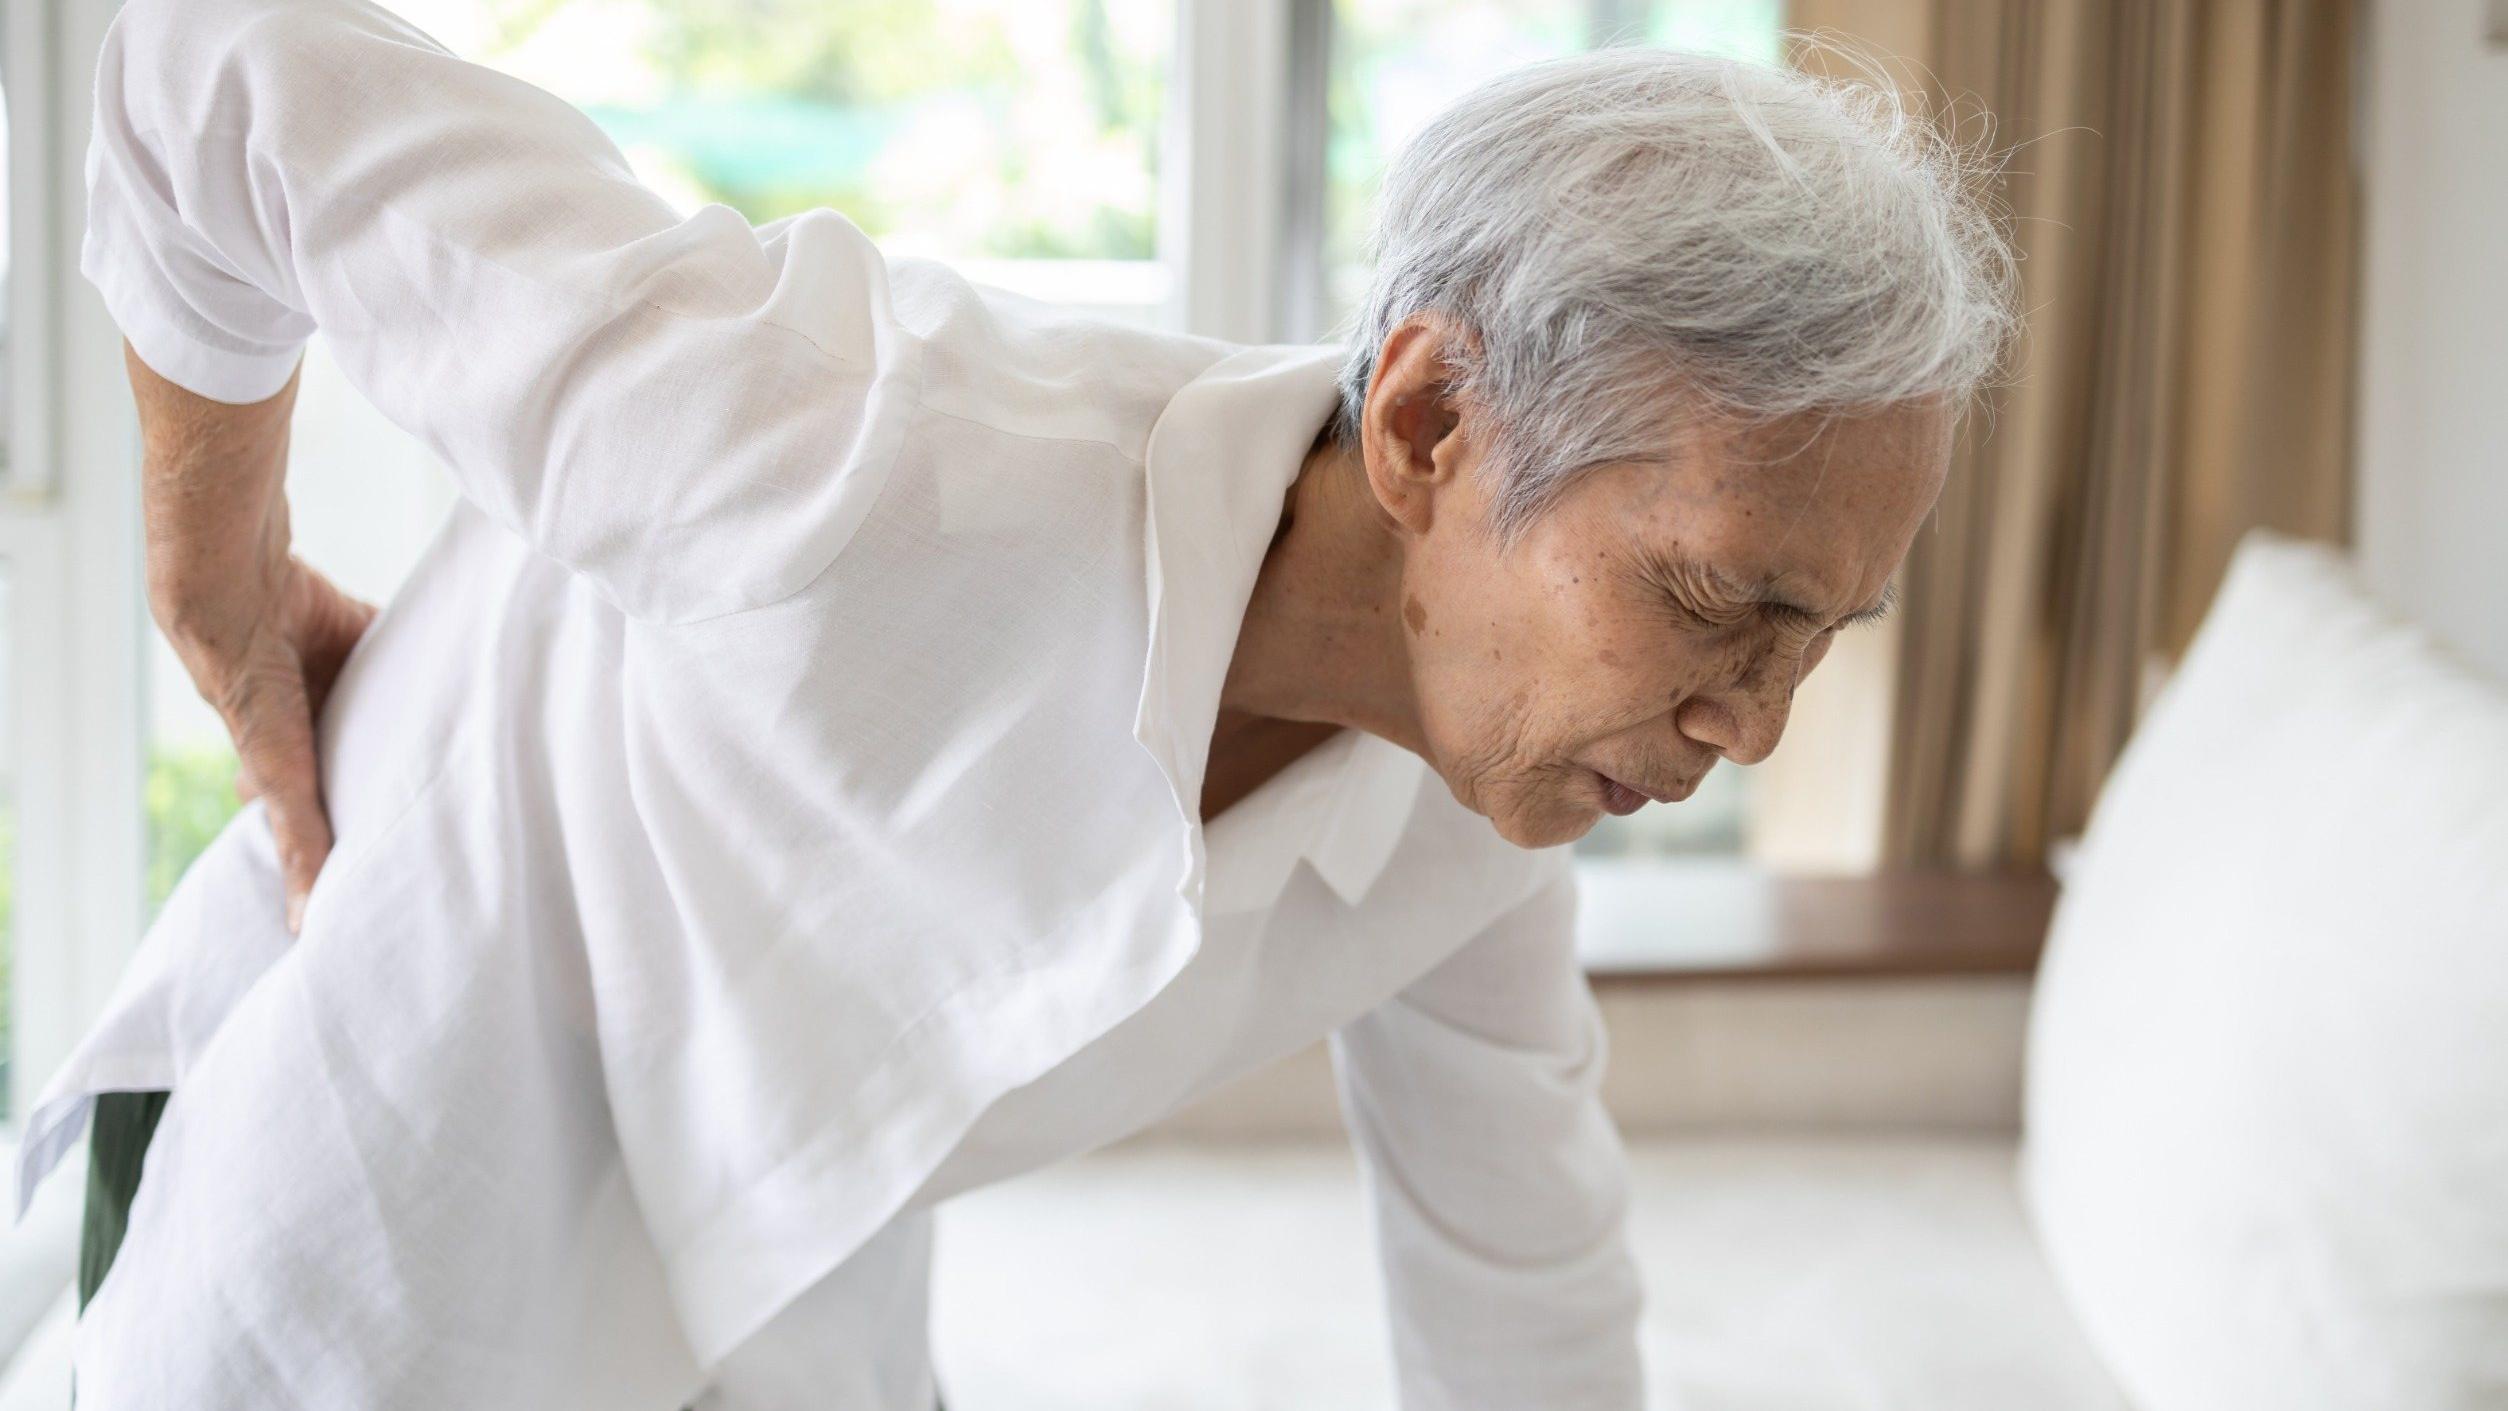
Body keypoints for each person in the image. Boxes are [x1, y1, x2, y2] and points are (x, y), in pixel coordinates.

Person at [15, 0, 2017, 1404]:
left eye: (1822, 635)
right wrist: (218, 583)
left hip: (791, 1312)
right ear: (1427, 420)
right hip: (340, 1245)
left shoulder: (1478, 814)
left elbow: (1526, 1285)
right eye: (1706, 603)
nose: (1748, 723)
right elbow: (213, 78)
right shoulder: (843, 451)